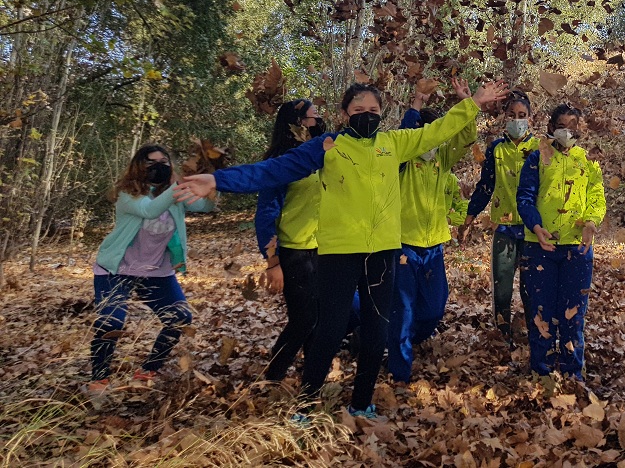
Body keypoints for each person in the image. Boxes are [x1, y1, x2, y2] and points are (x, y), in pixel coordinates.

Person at [175, 77, 508, 418]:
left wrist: (473, 103)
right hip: (339, 255)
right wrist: (217, 180)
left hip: (382, 255)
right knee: (329, 331)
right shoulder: (328, 146)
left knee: (377, 331)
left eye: (373, 109)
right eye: (358, 109)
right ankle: (305, 407)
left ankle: (361, 404)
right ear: (344, 114)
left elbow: (439, 131)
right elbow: (273, 170)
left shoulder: (394, 144)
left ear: (382, 113)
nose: (367, 115)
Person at [89, 144, 216, 394]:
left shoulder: (174, 195)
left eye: (164, 162)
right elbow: (149, 210)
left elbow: (206, 206)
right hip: (116, 269)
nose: (159, 167)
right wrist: (177, 187)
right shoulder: (128, 193)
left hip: (155, 271)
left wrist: (212, 182)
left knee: (179, 318)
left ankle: (149, 369)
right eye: (152, 162)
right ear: (139, 166)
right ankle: (99, 379)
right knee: (111, 322)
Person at [387, 85, 475, 382]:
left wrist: (468, 103)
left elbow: (465, 138)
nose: (431, 141)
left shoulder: (442, 160)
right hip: (403, 245)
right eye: (425, 134)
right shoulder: (402, 162)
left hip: (434, 245)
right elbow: (402, 136)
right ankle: (399, 371)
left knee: (434, 309)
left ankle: (396, 337)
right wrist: (414, 107)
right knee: (403, 310)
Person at [516, 104, 605, 378]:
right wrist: (536, 226)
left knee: (573, 313)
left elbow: (597, 196)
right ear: (551, 128)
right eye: (562, 126)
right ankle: (541, 373)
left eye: (573, 127)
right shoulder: (536, 158)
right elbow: (525, 197)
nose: (567, 132)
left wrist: (591, 222)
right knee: (541, 312)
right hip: (539, 247)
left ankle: (572, 373)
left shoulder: (587, 161)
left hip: (577, 249)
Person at [255, 99, 325, 382]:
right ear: (297, 123)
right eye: (313, 116)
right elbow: (266, 213)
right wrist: (273, 262)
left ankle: (312, 378)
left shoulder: (318, 156)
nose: (318, 121)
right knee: (303, 319)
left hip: (322, 249)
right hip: (293, 252)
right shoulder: (281, 163)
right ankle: (273, 375)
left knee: (317, 318)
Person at [461, 90, 539, 346]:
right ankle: (502, 335)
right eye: (512, 115)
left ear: (530, 118)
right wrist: (470, 216)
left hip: (533, 230)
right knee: (502, 286)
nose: (517, 120)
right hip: (504, 228)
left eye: (522, 115)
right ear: (504, 117)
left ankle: (536, 334)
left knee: (531, 288)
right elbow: (486, 186)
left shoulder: (540, 149)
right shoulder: (496, 149)